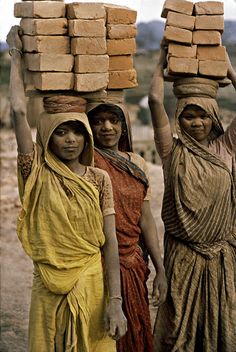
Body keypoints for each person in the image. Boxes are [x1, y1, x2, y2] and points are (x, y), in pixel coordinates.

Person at [7, 25, 127, 351]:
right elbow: (19, 110)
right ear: (47, 135)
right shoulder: (35, 173)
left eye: (77, 131)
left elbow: (110, 242)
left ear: (87, 135)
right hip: (47, 285)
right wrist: (17, 58)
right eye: (61, 132)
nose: (71, 139)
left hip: (92, 284)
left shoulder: (98, 179)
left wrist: (114, 301)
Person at [148, 45, 236, 351]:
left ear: (213, 117)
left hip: (222, 255)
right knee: (177, 327)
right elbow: (155, 100)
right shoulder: (172, 152)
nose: (195, 122)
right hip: (183, 255)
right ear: (178, 118)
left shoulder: (227, 148)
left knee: (219, 325)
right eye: (188, 116)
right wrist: (160, 61)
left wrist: (228, 69)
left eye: (202, 116)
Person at [87, 101, 167, 352]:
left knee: (133, 329)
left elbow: (145, 218)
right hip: (97, 262)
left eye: (114, 121)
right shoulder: (86, 160)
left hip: (133, 262)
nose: (107, 127)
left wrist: (160, 268)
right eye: (97, 122)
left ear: (124, 127)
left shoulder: (136, 163)